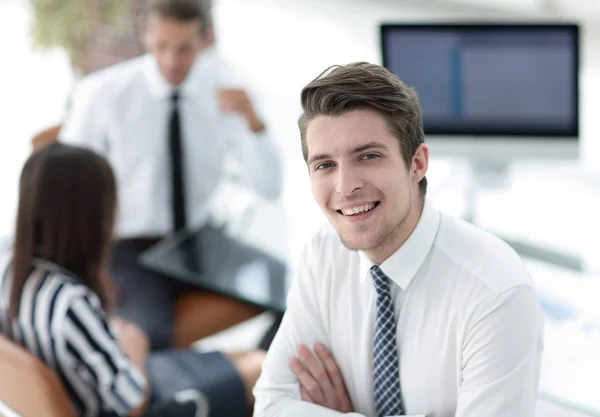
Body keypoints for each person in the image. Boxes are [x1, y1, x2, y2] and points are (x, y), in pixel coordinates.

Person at [253, 62, 544, 417]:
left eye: (368, 156)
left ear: (417, 163)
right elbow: (271, 406)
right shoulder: (322, 252)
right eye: (325, 165)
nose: (345, 186)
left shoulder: (496, 293)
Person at [58, 0, 283, 351]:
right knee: (149, 338)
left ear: (205, 38)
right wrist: (89, 261)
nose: (171, 61)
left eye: (184, 48)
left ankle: (257, 383)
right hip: (131, 249)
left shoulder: (226, 90)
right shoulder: (103, 95)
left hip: (199, 240)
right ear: (145, 34)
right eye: (161, 46)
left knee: (295, 295)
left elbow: (269, 187)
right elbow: (66, 191)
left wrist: (253, 121)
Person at [0, 143, 263, 417]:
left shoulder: (9, 264)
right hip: (139, 400)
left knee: (251, 361)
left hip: (104, 379)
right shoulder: (71, 304)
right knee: (262, 369)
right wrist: (134, 345)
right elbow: (134, 402)